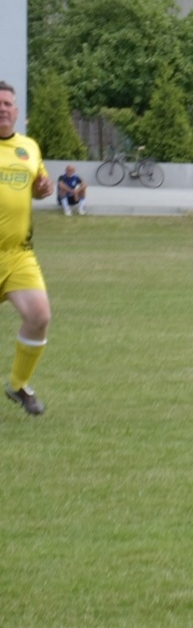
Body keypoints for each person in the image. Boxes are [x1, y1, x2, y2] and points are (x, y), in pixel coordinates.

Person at [0, 83, 55, 415]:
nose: (3, 108)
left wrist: (43, 188)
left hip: (19, 253)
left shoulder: (29, 148)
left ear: (17, 112)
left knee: (39, 316)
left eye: (8, 103)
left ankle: (18, 386)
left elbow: (39, 187)